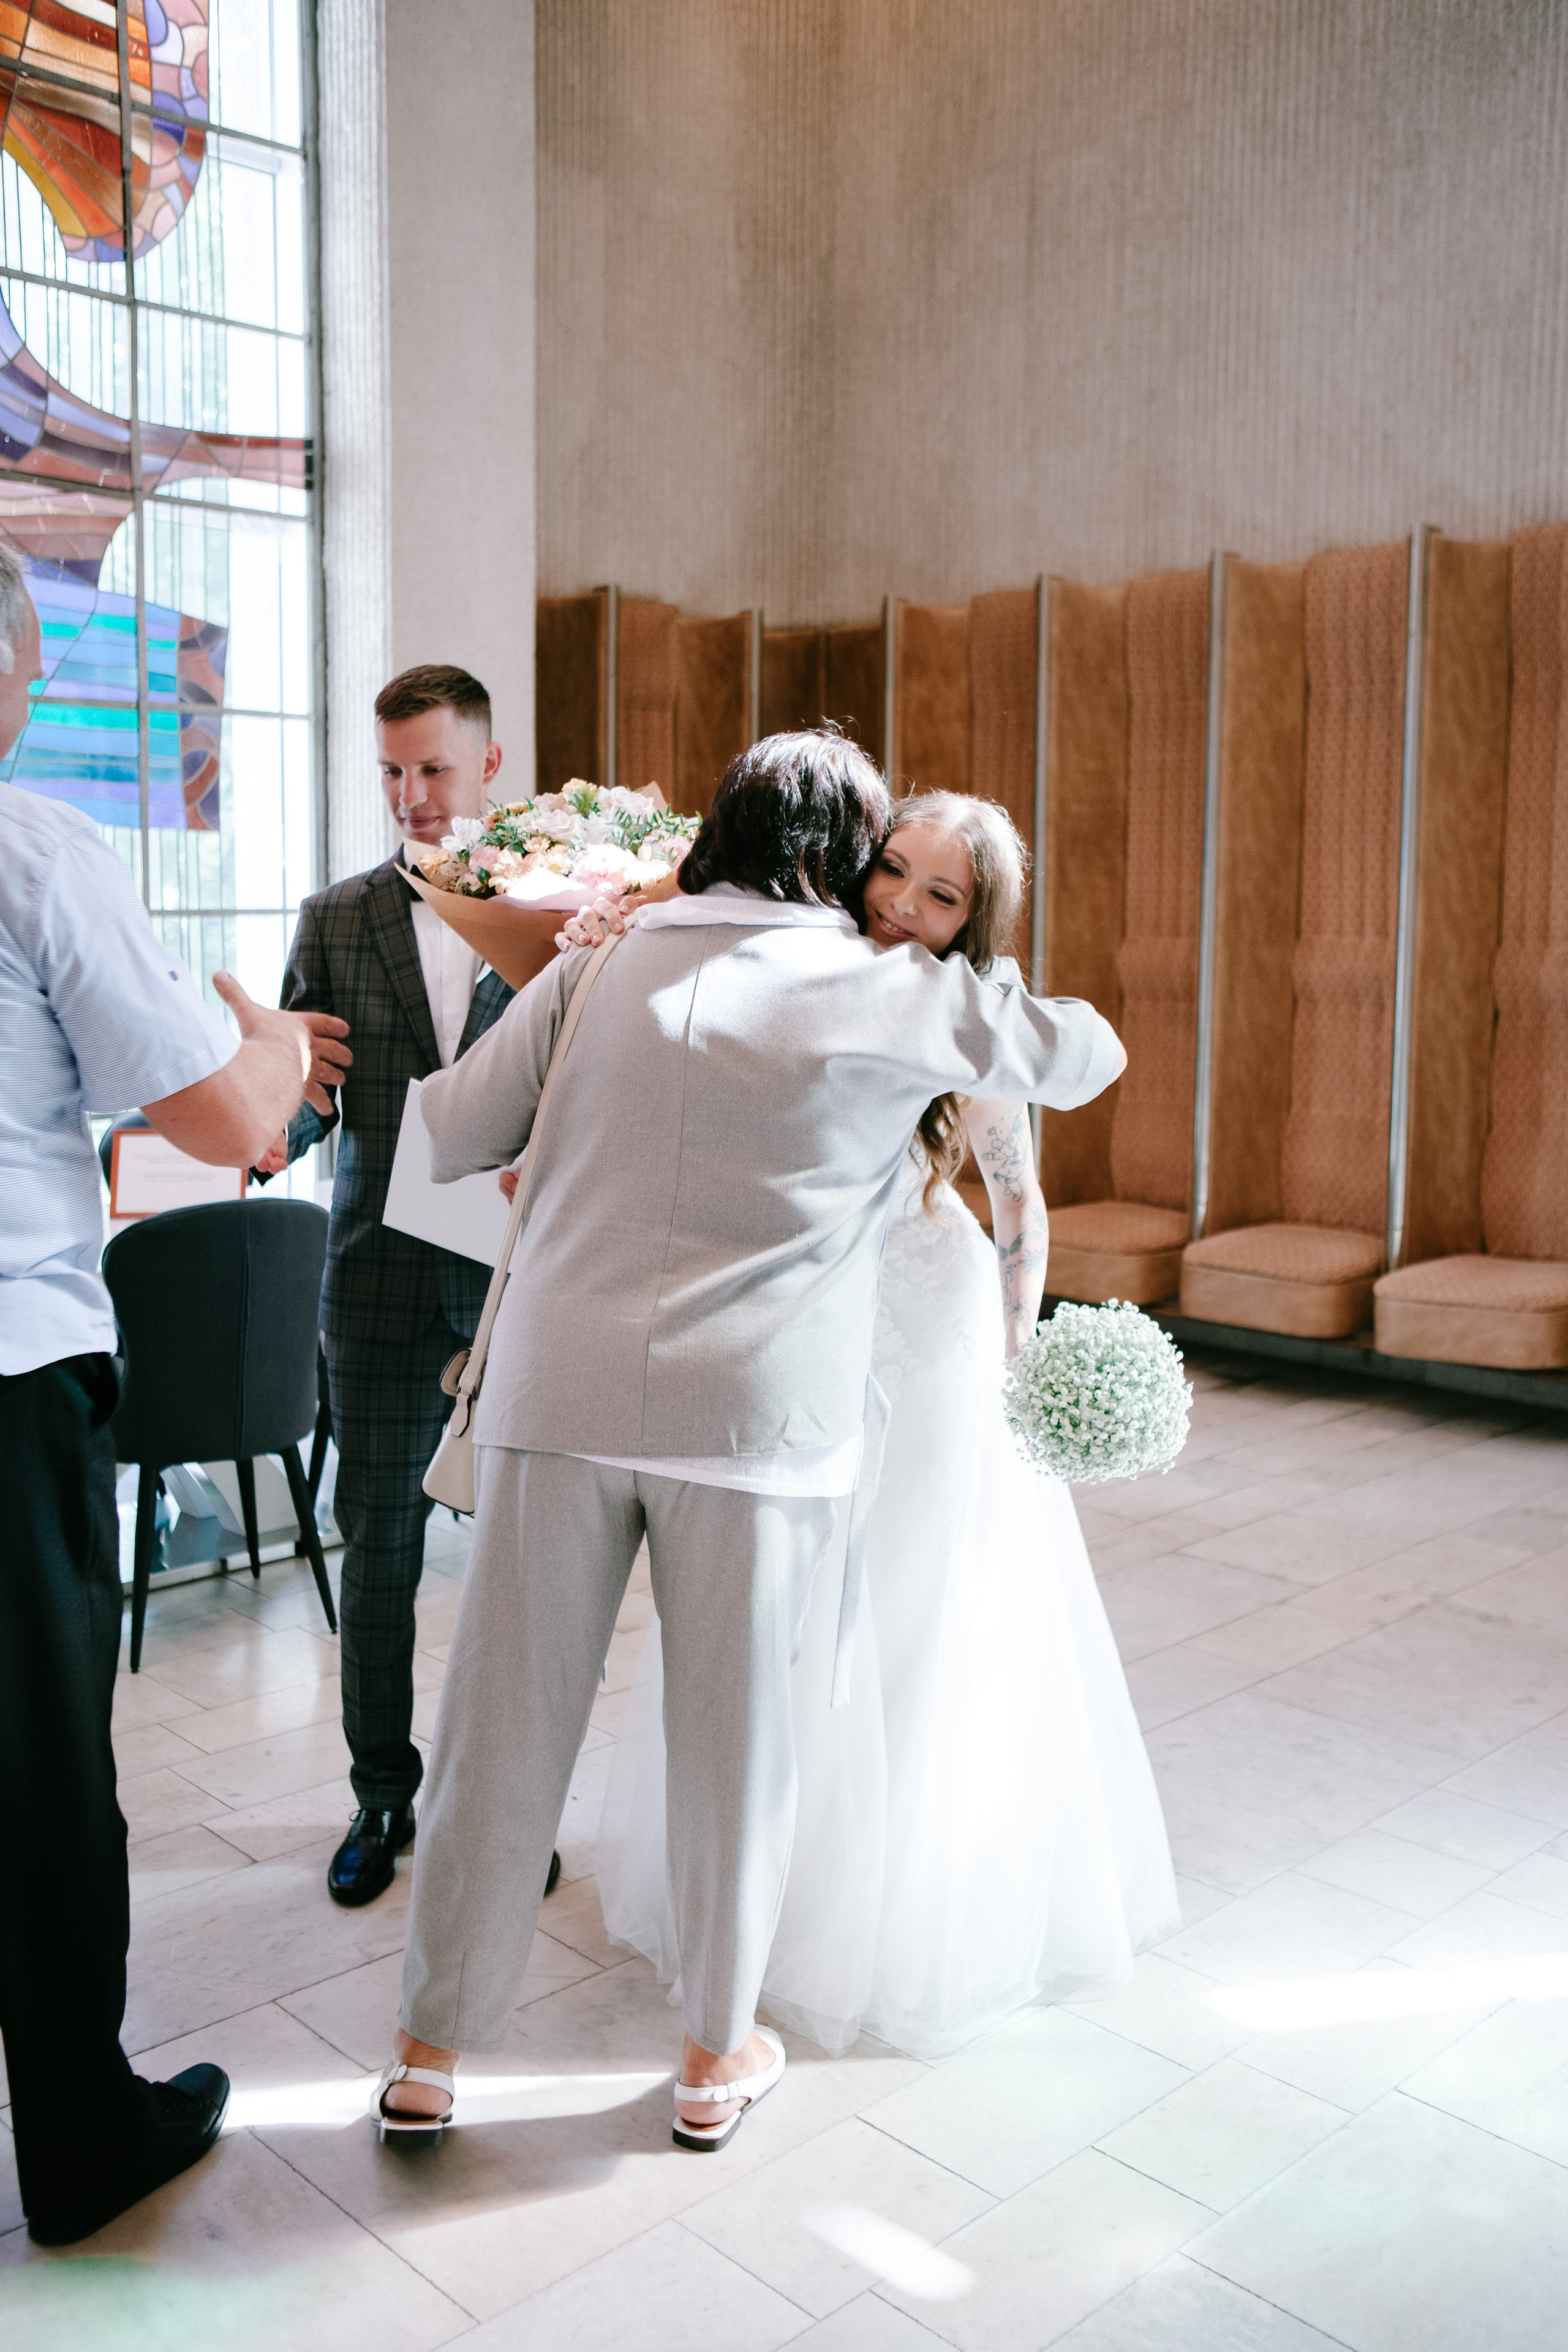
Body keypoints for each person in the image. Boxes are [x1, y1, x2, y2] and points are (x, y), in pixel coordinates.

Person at [375, 732, 1126, 2151]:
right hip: (756, 1422)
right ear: (843, 861)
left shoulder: (610, 958)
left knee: (498, 1729)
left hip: (559, 1398)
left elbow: (461, 1128)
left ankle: (428, 2054)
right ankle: (716, 2059)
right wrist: (972, 979)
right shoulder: (877, 987)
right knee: (741, 1743)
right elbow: (1084, 1058)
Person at [595, 793, 1178, 2059]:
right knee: (777, 1604)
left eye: (940, 895)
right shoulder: (793, 974)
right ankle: (758, 1878)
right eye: (892, 872)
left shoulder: (966, 1023)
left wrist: (1022, 1352)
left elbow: (1016, 1205)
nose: (901, 906)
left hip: (930, 1323)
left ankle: (886, 1903)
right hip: (804, 1315)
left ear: (977, 923)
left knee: (916, 1596)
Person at [0, 545, 352, 2245]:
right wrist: (274, 1056)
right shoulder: (35, 851)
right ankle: (82, 2135)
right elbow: (224, 1126)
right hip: (4, 1377)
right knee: (40, 1768)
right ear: (18, 672)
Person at [261, 665, 560, 1908]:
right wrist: (262, 1118)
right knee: (376, 1557)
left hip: (523, 1296)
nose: (412, 795)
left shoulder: (568, 914)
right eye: (391, 772)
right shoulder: (336, 919)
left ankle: (506, 1807)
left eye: (433, 767)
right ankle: (380, 1796)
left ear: (490, 766)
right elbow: (305, 1105)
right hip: (376, 1292)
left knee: (528, 1575)